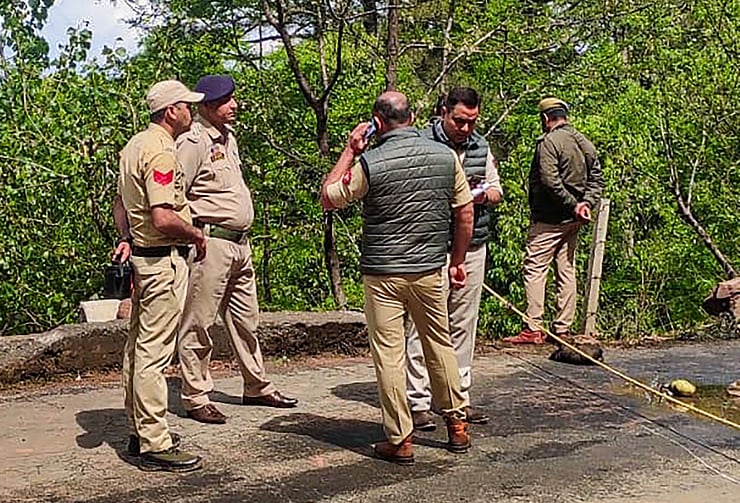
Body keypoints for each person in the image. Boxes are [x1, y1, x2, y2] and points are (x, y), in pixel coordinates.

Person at [321, 91, 475, 465]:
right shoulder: (446, 157)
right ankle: (457, 425)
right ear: (413, 116)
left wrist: (351, 149)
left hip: (383, 273)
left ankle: (400, 438)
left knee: (390, 355)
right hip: (428, 269)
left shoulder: (371, 162)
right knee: (440, 344)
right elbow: (466, 212)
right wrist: (456, 261)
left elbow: (329, 197)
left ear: (378, 120)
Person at [175, 75, 297, 425]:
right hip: (211, 243)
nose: (235, 105)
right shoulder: (194, 141)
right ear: (209, 106)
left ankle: (256, 384)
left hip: (240, 244)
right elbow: (175, 193)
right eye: (228, 101)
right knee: (199, 322)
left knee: (247, 320)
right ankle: (196, 395)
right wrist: (193, 235)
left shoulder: (228, 138)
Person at [111, 80, 206, 472]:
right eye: (187, 106)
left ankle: (139, 428)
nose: (192, 112)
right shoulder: (162, 152)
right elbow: (164, 216)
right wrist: (196, 234)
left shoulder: (133, 146)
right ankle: (154, 440)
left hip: (143, 257)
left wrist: (125, 238)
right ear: (171, 111)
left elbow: (120, 204)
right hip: (163, 261)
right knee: (154, 353)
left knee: (137, 347)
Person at [405, 88, 502, 430]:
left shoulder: (481, 146)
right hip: (430, 247)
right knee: (422, 325)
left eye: (471, 122)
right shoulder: (420, 143)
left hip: (473, 244)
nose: (465, 128)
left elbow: (496, 189)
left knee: (462, 324)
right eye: (459, 121)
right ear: (443, 112)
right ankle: (416, 401)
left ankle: (457, 399)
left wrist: (480, 195)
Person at [503, 97, 603, 344]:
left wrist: (575, 205)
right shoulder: (584, 142)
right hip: (574, 219)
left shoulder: (549, 142)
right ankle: (562, 328)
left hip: (550, 218)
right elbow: (597, 179)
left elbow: (550, 181)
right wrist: (584, 205)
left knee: (535, 268)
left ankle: (533, 327)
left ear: (545, 119)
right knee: (566, 269)